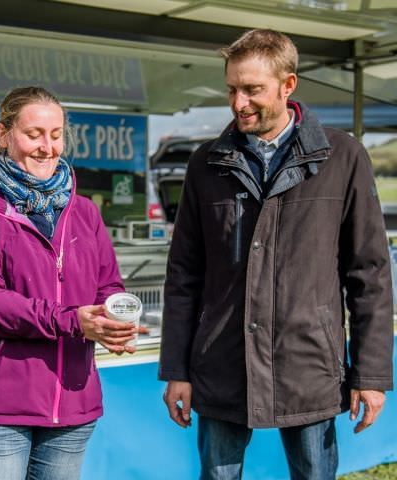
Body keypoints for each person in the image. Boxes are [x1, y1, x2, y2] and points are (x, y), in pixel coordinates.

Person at [159, 29, 394, 480]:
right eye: (232, 88)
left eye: (252, 89)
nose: (238, 102)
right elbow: (185, 274)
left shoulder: (342, 157)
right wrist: (177, 368)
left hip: (309, 365)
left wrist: (370, 374)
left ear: (288, 85)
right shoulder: (206, 163)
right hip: (221, 365)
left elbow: (370, 275)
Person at [0, 86, 144, 480]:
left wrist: (113, 320)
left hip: (73, 408)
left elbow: (108, 284)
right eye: (33, 134)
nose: (47, 147)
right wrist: (74, 320)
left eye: (55, 135)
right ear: (3, 135)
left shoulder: (84, 211)